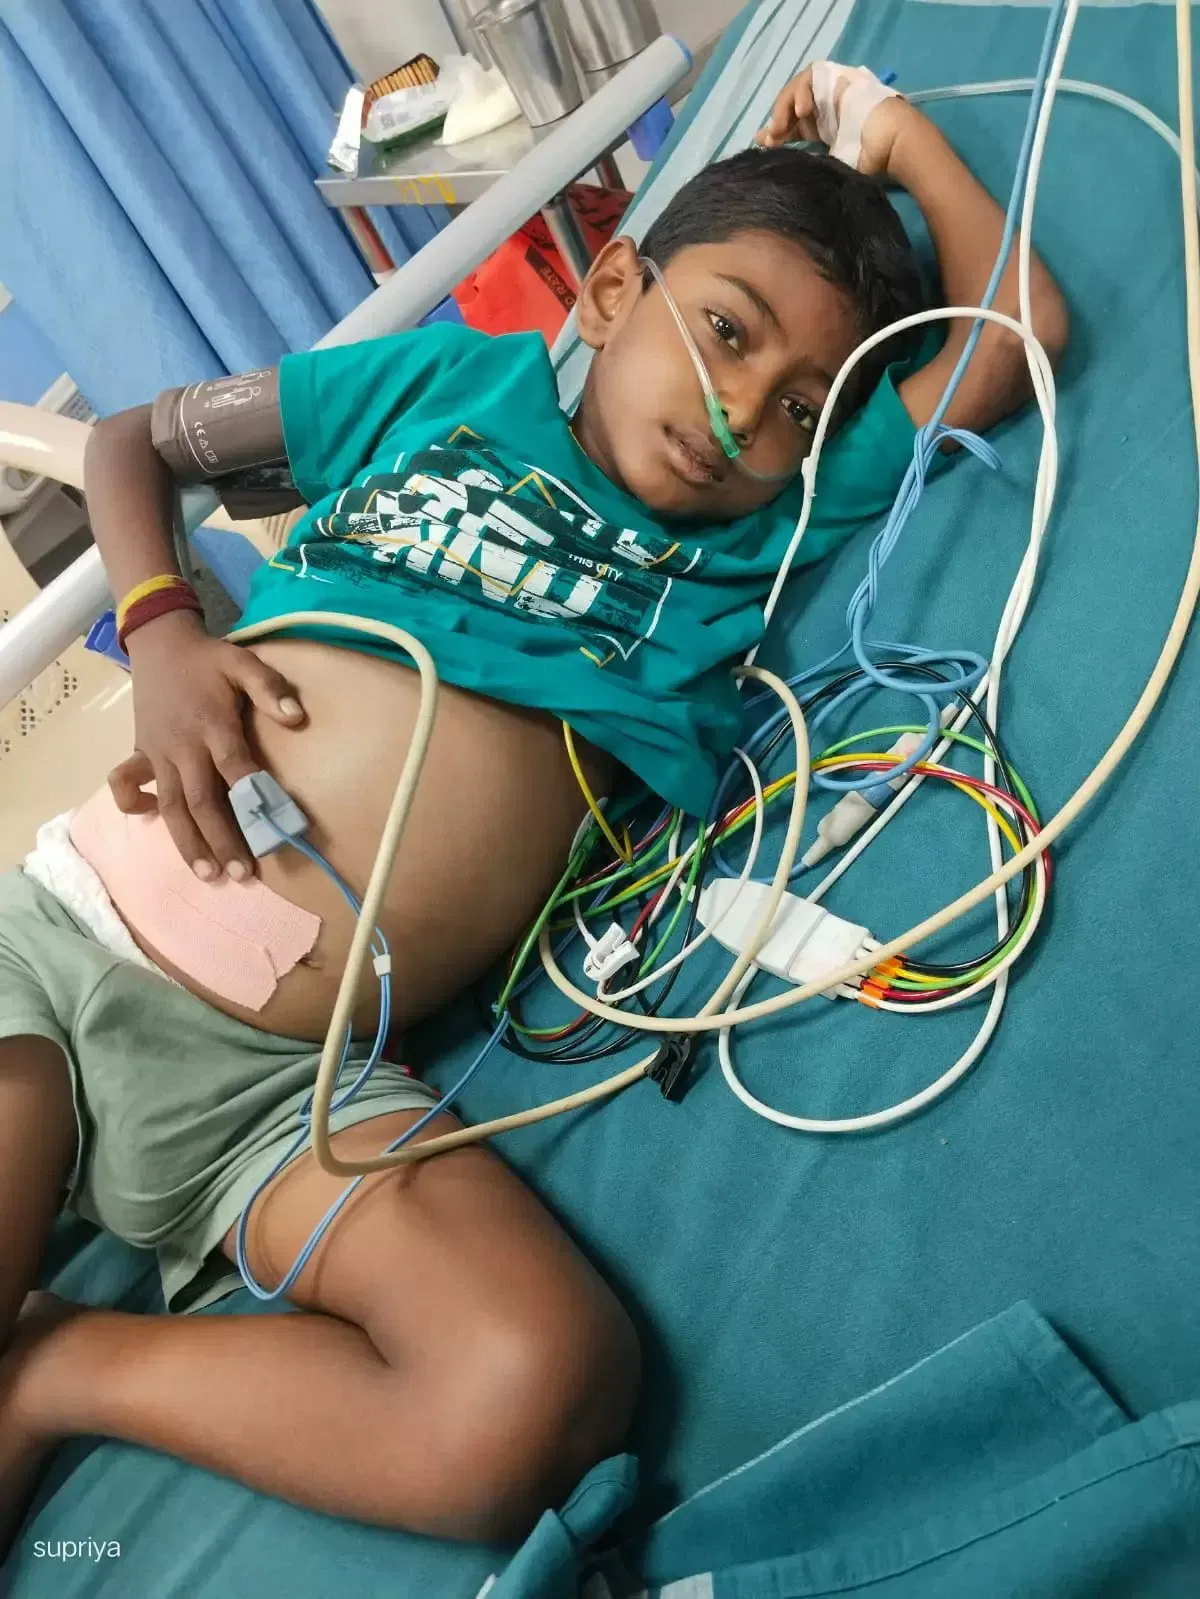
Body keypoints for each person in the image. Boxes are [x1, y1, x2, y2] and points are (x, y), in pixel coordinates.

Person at [0, 69, 1067, 1552]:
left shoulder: (757, 538)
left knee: (532, 1394)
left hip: (279, 1104)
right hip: (66, 950)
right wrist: (165, 630)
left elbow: (1021, 330)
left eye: (797, 407)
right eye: (726, 330)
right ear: (616, 287)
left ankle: (60, 1367)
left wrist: (894, 136)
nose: (739, 413)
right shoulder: (453, 389)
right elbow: (136, 441)